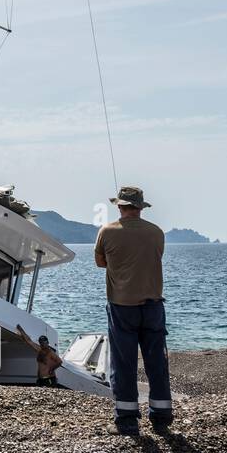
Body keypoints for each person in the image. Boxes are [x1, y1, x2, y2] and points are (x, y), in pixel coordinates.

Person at [95, 185, 172, 436]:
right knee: (156, 362)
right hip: (153, 306)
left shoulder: (107, 232)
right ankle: (161, 417)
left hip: (121, 306)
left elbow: (100, 262)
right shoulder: (156, 232)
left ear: (119, 206)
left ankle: (127, 420)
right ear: (141, 207)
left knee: (124, 362)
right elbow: (156, 256)